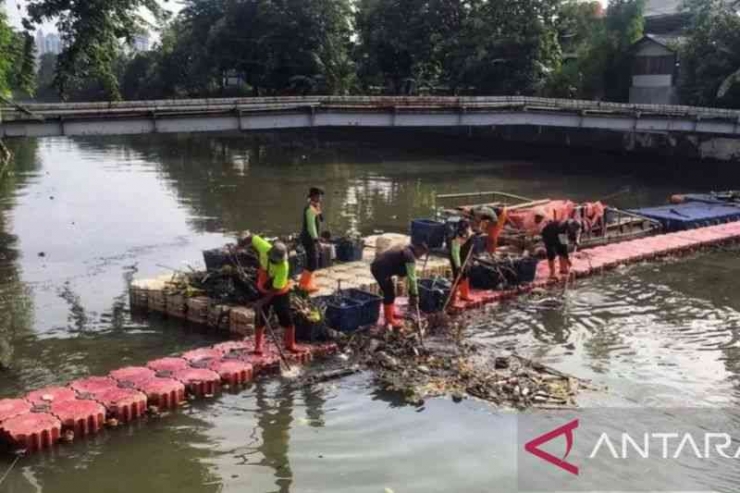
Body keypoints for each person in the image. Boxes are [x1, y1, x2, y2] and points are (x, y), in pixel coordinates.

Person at [249, 234, 305, 355]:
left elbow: (274, 290)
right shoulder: (264, 248)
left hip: (279, 292)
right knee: (259, 318)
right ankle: (258, 346)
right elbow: (251, 237)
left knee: (286, 318)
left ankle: (290, 344)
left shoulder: (283, 267)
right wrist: (237, 247)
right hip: (263, 287)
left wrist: (261, 302)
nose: (276, 262)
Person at [370, 242, 428, 330]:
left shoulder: (405, 248)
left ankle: (391, 312)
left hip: (382, 267)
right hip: (379, 269)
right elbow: (412, 278)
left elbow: (404, 272)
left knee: (391, 290)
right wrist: (415, 294)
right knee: (389, 293)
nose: (420, 257)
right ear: (418, 249)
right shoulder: (409, 256)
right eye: (422, 253)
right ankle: (389, 319)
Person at [299, 187, 325, 293]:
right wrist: (317, 241)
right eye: (318, 196)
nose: (320, 198)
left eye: (321, 196)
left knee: (311, 261)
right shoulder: (310, 209)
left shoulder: (315, 206)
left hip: (311, 237)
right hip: (308, 238)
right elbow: (311, 227)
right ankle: (304, 285)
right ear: (313, 197)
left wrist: (319, 211)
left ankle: (306, 284)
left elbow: (321, 218)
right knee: (313, 262)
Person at [449, 219, 474, 303]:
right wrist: (458, 266)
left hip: (465, 255)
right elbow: (455, 252)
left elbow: (470, 233)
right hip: (456, 256)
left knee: (466, 275)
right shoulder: (457, 236)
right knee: (457, 277)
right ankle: (452, 298)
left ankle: (464, 295)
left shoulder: (468, 229)